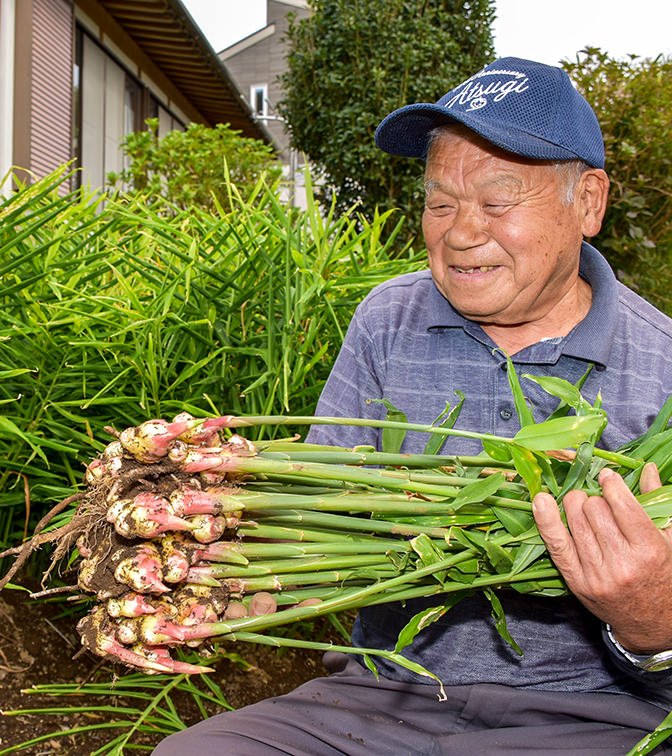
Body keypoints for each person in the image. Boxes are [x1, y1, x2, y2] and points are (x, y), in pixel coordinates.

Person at [152, 57, 672, 755]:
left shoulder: (662, 362)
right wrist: (249, 547)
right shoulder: (388, 319)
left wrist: (652, 621)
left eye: (497, 201)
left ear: (589, 202)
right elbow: (322, 503)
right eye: (440, 202)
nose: (459, 232)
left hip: (593, 716)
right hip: (384, 694)